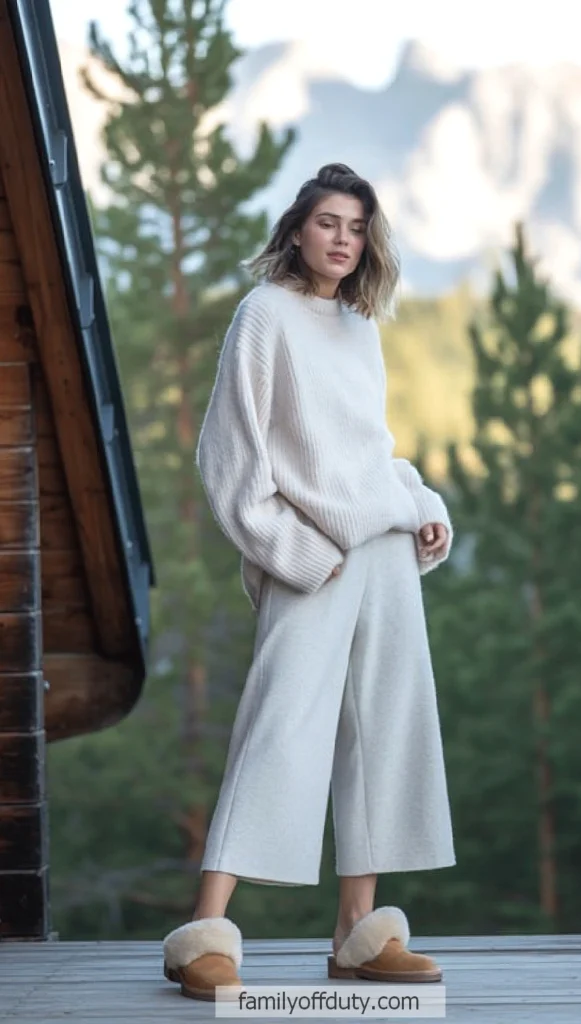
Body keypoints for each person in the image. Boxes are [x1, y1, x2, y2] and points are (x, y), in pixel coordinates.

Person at [162, 163, 456, 1001]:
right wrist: (290, 552)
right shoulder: (263, 317)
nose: (342, 240)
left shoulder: (359, 327)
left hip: (384, 553)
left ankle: (357, 937)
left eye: (356, 228)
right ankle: (204, 934)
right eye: (328, 222)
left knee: (383, 731)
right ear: (296, 228)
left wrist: (420, 502)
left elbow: (367, 452)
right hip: (312, 559)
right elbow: (228, 460)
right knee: (279, 727)